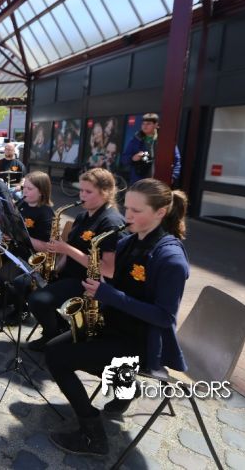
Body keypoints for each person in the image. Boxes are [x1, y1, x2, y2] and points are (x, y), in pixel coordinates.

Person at [45, 179, 190, 456]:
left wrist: (108, 295)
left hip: (143, 342)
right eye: (127, 208)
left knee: (57, 357)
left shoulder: (170, 258)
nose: (127, 216)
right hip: (117, 327)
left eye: (137, 211)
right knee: (55, 348)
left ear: (160, 213)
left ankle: (93, 436)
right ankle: (126, 385)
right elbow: (115, 278)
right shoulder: (130, 241)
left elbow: (164, 317)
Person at [25, 168, 126, 351]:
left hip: (88, 283)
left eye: (88, 191)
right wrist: (56, 268)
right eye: (81, 190)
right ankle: (59, 327)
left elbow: (108, 270)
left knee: (37, 300)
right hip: (70, 273)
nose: (82, 195)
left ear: (105, 193)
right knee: (23, 283)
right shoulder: (82, 215)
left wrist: (66, 249)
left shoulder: (111, 222)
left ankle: (51, 334)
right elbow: (71, 248)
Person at [0, 172, 54, 319]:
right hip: (15, 250)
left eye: (30, 189)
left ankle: (22, 308)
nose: (25, 192)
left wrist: (19, 236)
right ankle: (7, 296)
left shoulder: (46, 213)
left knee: (2, 278)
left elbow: (46, 246)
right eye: (24, 188)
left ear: (42, 191)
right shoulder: (22, 204)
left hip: (31, 258)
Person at [122, 113, 182, 185]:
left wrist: (173, 177)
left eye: (148, 124)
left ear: (156, 125)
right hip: (139, 182)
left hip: (160, 182)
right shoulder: (135, 140)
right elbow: (124, 159)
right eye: (143, 124)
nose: (145, 126)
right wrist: (133, 158)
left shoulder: (166, 139)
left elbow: (176, 160)